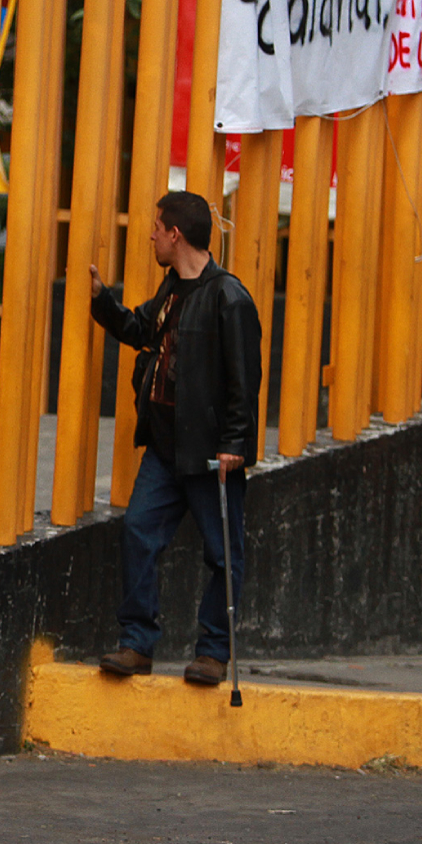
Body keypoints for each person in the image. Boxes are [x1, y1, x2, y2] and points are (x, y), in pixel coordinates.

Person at [87, 191, 263, 686]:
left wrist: (234, 444)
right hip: (165, 448)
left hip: (210, 455)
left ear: (176, 235)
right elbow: (140, 329)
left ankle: (213, 652)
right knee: (138, 532)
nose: (152, 236)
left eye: (157, 227)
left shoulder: (229, 297)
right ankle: (136, 644)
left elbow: (245, 379)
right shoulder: (171, 291)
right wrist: (103, 301)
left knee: (223, 553)